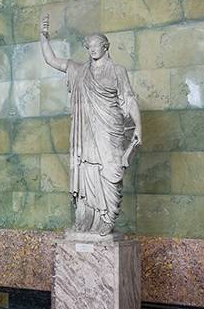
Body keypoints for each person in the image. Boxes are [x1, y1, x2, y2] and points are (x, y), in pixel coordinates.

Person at [40, 14, 142, 236]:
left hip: (109, 130)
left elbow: (129, 99)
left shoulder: (117, 71)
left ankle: (108, 217)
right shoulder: (79, 71)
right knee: (86, 170)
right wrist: (43, 36)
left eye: (97, 45)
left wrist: (138, 128)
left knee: (110, 172)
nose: (93, 49)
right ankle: (86, 219)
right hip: (85, 132)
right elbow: (52, 60)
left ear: (106, 47)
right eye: (90, 46)